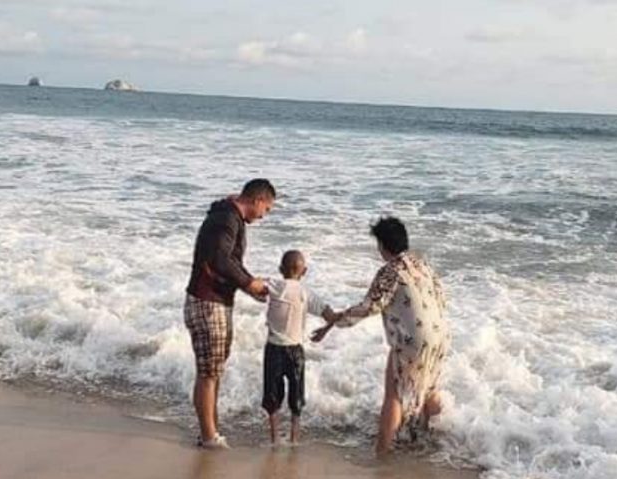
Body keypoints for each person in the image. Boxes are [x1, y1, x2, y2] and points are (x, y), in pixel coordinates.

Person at [313, 217, 449, 456]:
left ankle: (382, 452)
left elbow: (369, 306)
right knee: (428, 388)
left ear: (383, 246)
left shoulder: (390, 271)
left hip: (413, 341)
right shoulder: (423, 265)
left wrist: (334, 322)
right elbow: (441, 298)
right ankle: (432, 441)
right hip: (440, 335)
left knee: (394, 395)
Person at [184, 178, 275, 449]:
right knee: (209, 372)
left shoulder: (228, 216)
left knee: (213, 369)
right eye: (267, 209)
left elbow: (228, 261)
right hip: (207, 301)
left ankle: (211, 430)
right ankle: (208, 436)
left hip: (213, 300)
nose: (264, 216)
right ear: (257, 200)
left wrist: (249, 285)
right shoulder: (226, 218)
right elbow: (220, 260)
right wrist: (249, 283)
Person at [262, 250, 336, 445]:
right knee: (296, 398)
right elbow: (331, 315)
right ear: (304, 271)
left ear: (280, 269)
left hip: (274, 349)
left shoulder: (274, 285)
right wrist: (324, 331)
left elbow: (253, 285)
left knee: (272, 397)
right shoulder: (306, 293)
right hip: (295, 352)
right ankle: (294, 440)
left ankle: (275, 439)